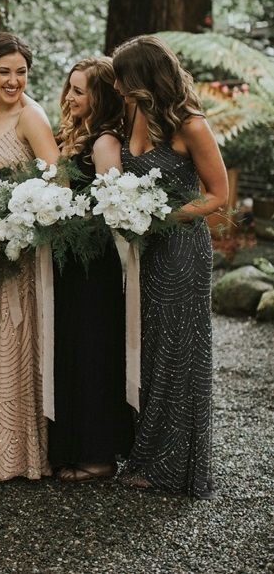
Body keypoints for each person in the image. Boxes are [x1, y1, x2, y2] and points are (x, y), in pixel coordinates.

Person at [112, 35, 228, 497]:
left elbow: (219, 196)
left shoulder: (192, 125)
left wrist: (165, 215)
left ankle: (173, 467)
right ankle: (145, 452)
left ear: (143, 78)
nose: (118, 88)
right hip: (145, 251)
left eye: (123, 79)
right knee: (149, 348)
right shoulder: (137, 112)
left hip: (181, 249)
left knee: (179, 352)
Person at [0, 32, 60, 481]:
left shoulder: (32, 116)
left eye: (21, 72)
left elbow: (57, 184)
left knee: (15, 340)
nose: (13, 81)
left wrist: (20, 217)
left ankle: (21, 454)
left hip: (22, 252)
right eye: (4, 72)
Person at [48, 57, 134, 482]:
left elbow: (112, 208)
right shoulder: (74, 135)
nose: (70, 97)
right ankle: (70, 444)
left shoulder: (104, 142)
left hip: (91, 263)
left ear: (99, 96)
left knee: (92, 352)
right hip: (67, 261)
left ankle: (99, 455)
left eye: (79, 91)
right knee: (70, 350)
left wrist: (63, 212)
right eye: (70, 88)